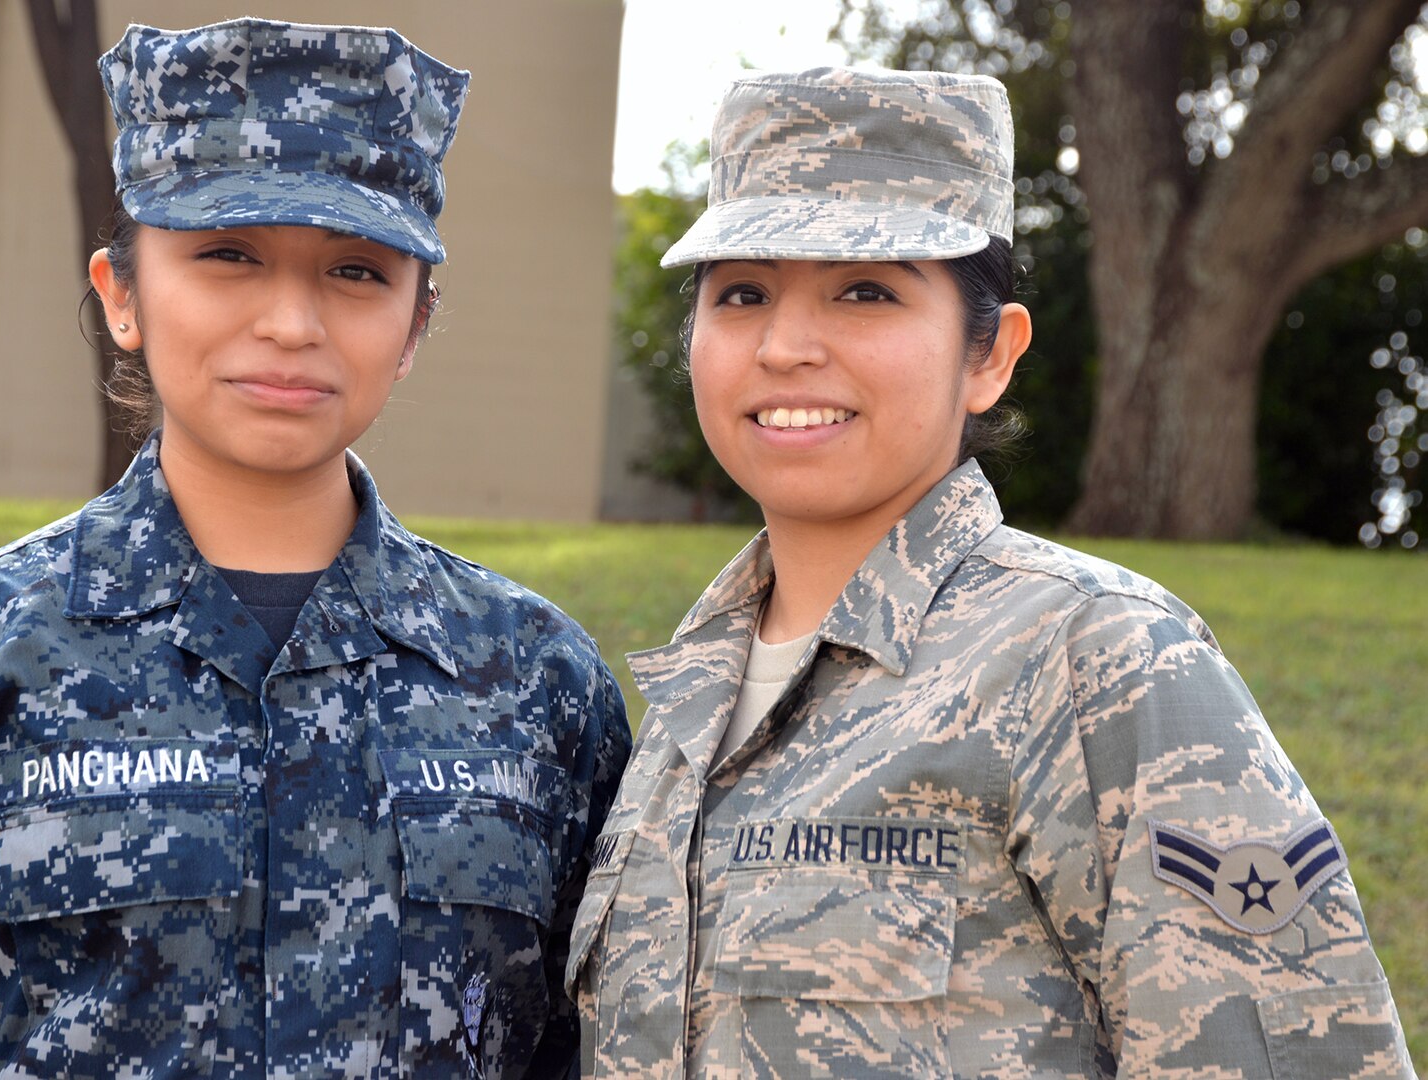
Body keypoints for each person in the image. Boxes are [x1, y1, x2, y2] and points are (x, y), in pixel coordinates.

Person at [0, 18, 630, 1078]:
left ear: (414, 326)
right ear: (121, 294)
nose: (290, 322)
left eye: (357, 272)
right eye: (228, 256)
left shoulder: (540, 688)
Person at [566, 68, 1415, 1078]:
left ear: (989, 355)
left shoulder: (1099, 662)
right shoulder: (686, 703)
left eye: (865, 292)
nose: (786, 345)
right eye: (742, 293)